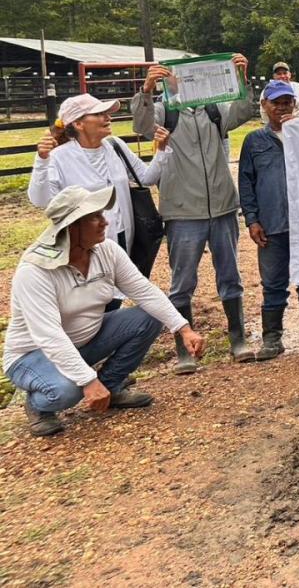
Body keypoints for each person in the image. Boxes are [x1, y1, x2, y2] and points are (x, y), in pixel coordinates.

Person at [5, 186, 205, 437]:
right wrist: (87, 381)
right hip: (33, 354)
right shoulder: (35, 270)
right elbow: (49, 336)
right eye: (95, 217)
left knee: (148, 317)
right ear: (72, 226)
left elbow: (143, 290)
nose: (104, 222)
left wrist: (183, 328)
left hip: (84, 341)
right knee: (69, 390)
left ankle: (110, 388)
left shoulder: (106, 250)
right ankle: (38, 406)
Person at [131, 53, 258, 374]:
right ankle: (184, 350)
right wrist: (145, 90)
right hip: (182, 212)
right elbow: (141, 124)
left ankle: (238, 339)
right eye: (178, 75)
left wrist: (242, 78)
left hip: (222, 207)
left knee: (230, 277)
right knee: (182, 282)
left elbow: (244, 111)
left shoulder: (216, 109)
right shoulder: (164, 112)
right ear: (168, 78)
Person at [29, 94, 172, 273]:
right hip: (86, 242)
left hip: (123, 234)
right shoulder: (58, 157)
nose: (107, 118)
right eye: (98, 114)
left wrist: (162, 149)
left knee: (118, 290)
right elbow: (41, 200)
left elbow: (146, 178)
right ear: (78, 124)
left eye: (106, 113)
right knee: (97, 293)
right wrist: (41, 161)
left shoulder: (115, 146)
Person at [238, 81, 299, 359]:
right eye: (276, 102)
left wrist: (298, 132)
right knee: (273, 283)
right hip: (271, 224)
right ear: (264, 105)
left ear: (295, 104)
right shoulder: (254, 141)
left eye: (287, 101)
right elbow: (246, 182)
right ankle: (272, 339)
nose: (282, 107)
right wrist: (252, 219)